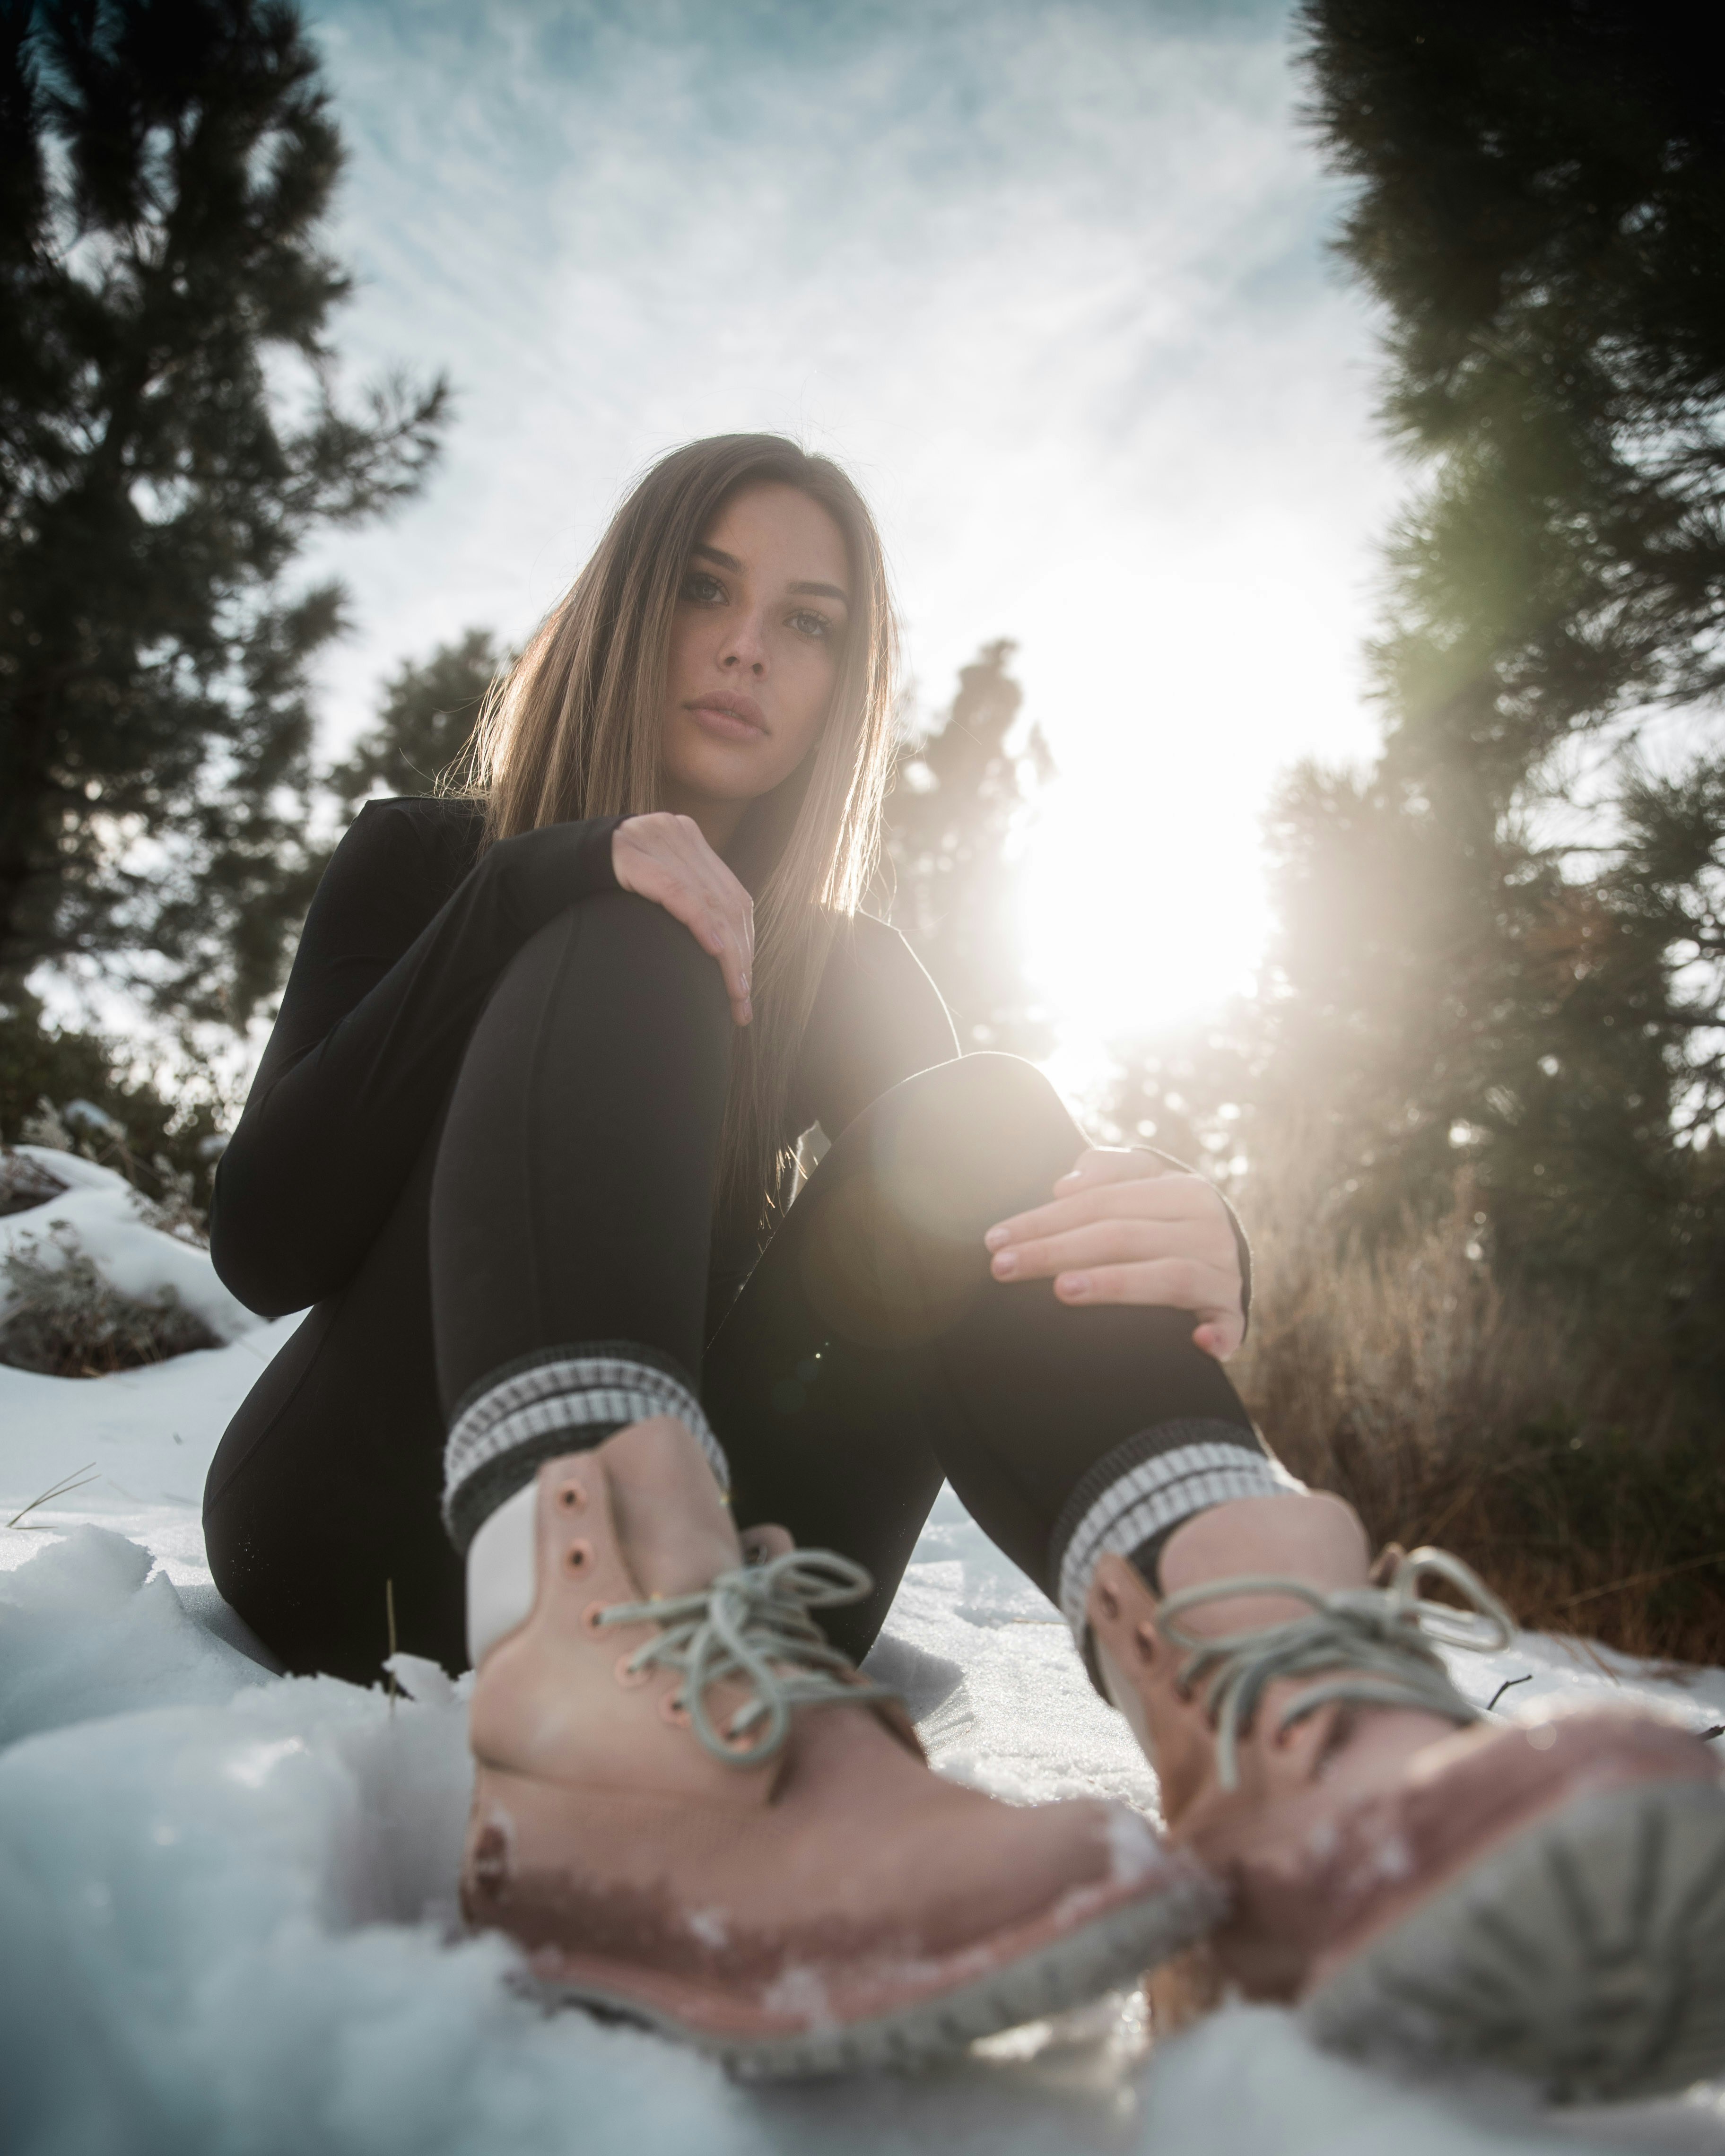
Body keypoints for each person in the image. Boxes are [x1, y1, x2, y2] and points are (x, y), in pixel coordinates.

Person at [204, 435, 1725, 2094]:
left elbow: (984, 1258)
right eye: (707, 588)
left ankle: (1292, 1756)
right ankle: (604, 1781)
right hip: (364, 1515)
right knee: (631, 929)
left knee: (990, 1117)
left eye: (813, 622)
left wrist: (1186, 1236)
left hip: (736, 1605)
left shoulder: (850, 970)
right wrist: (535, 891)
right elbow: (267, 1239)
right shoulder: (433, 859)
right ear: (629, 604)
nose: (747, 647)